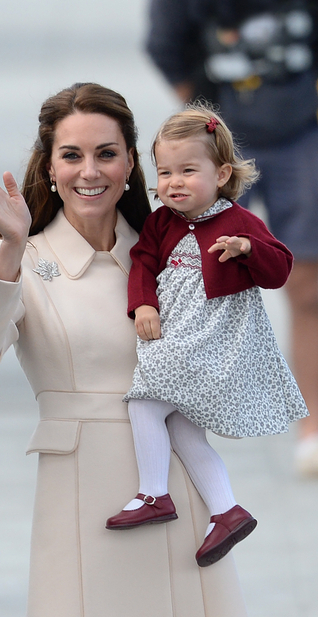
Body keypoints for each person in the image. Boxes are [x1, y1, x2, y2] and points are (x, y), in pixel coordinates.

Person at [0, 83, 254, 617]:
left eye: (106, 154)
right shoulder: (19, 255)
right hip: (82, 488)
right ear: (49, 167)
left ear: (131, 165)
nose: (88, 171)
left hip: (173, 480)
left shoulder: (167, 250)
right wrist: (13, 249)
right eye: (71, 155)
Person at [106, 105, 308, 567]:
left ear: (221, 174)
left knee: (144, 402)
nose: (174, 182)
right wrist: (143, 304)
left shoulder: (238, 221)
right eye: (164, 172)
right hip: (176, 332)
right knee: (181, 429)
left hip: (212, 341)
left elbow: (279, 269)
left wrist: (248, 249)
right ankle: (227, 510)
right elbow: (143, 264)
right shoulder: (161, 223)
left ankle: (154, 494)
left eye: (188, 171)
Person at [145, 0, 318, 477]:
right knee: (185, 269)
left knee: (308, 286)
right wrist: (203, 120)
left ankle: (312, 428)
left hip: (303, 132)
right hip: (220, 132)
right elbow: (165, 42)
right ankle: (183, 412)